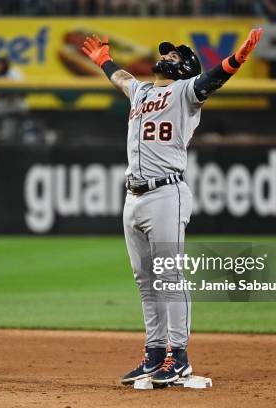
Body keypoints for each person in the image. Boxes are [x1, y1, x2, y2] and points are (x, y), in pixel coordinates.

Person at [82, 29, 262, 385]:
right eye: (167, 54)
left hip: (167, 193)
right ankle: (154, 353)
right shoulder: (142, 90)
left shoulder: (186, 93)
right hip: (133, 197)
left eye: (175, 56)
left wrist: (237, 59)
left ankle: (177, 357)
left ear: (185, 69)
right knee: (145, 282)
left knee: (169, 277)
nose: (166, 56)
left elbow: (214, 78)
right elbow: (121, 79)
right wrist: (104, 59)